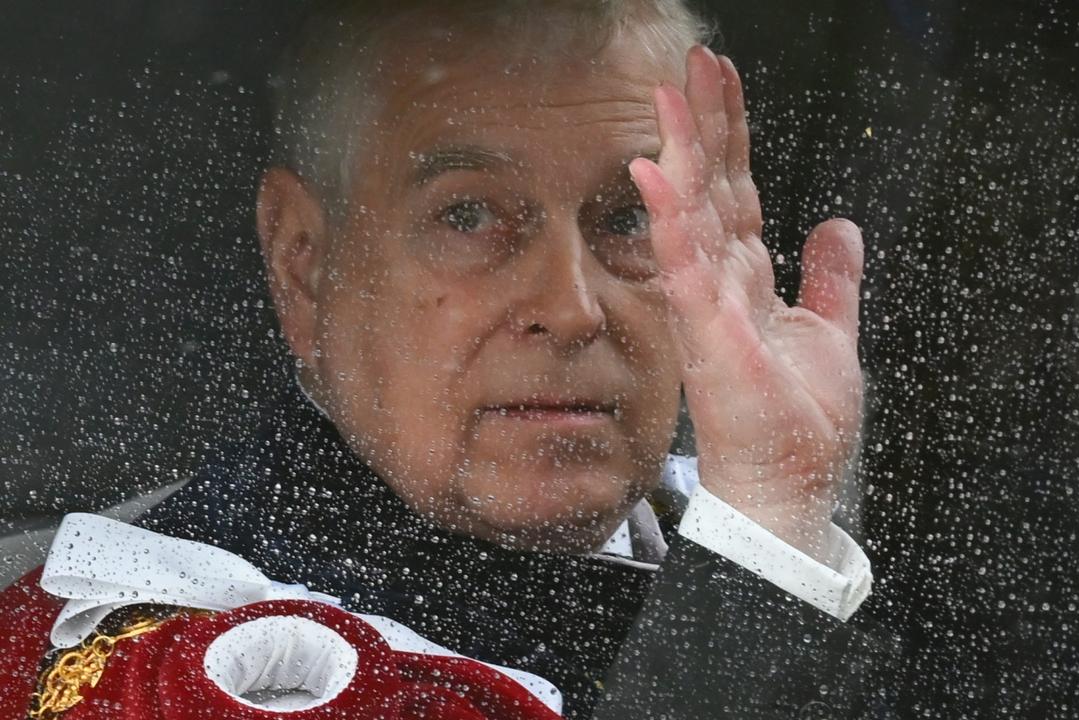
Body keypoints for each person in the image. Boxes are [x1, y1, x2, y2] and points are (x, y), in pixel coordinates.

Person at [3, 1, 899, 717]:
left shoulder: (750, 524)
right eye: (469, 216)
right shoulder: (164, 664)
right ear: (305, 265)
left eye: (631, 217)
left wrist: (775, 499)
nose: (571, 308)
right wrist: (767, 546)